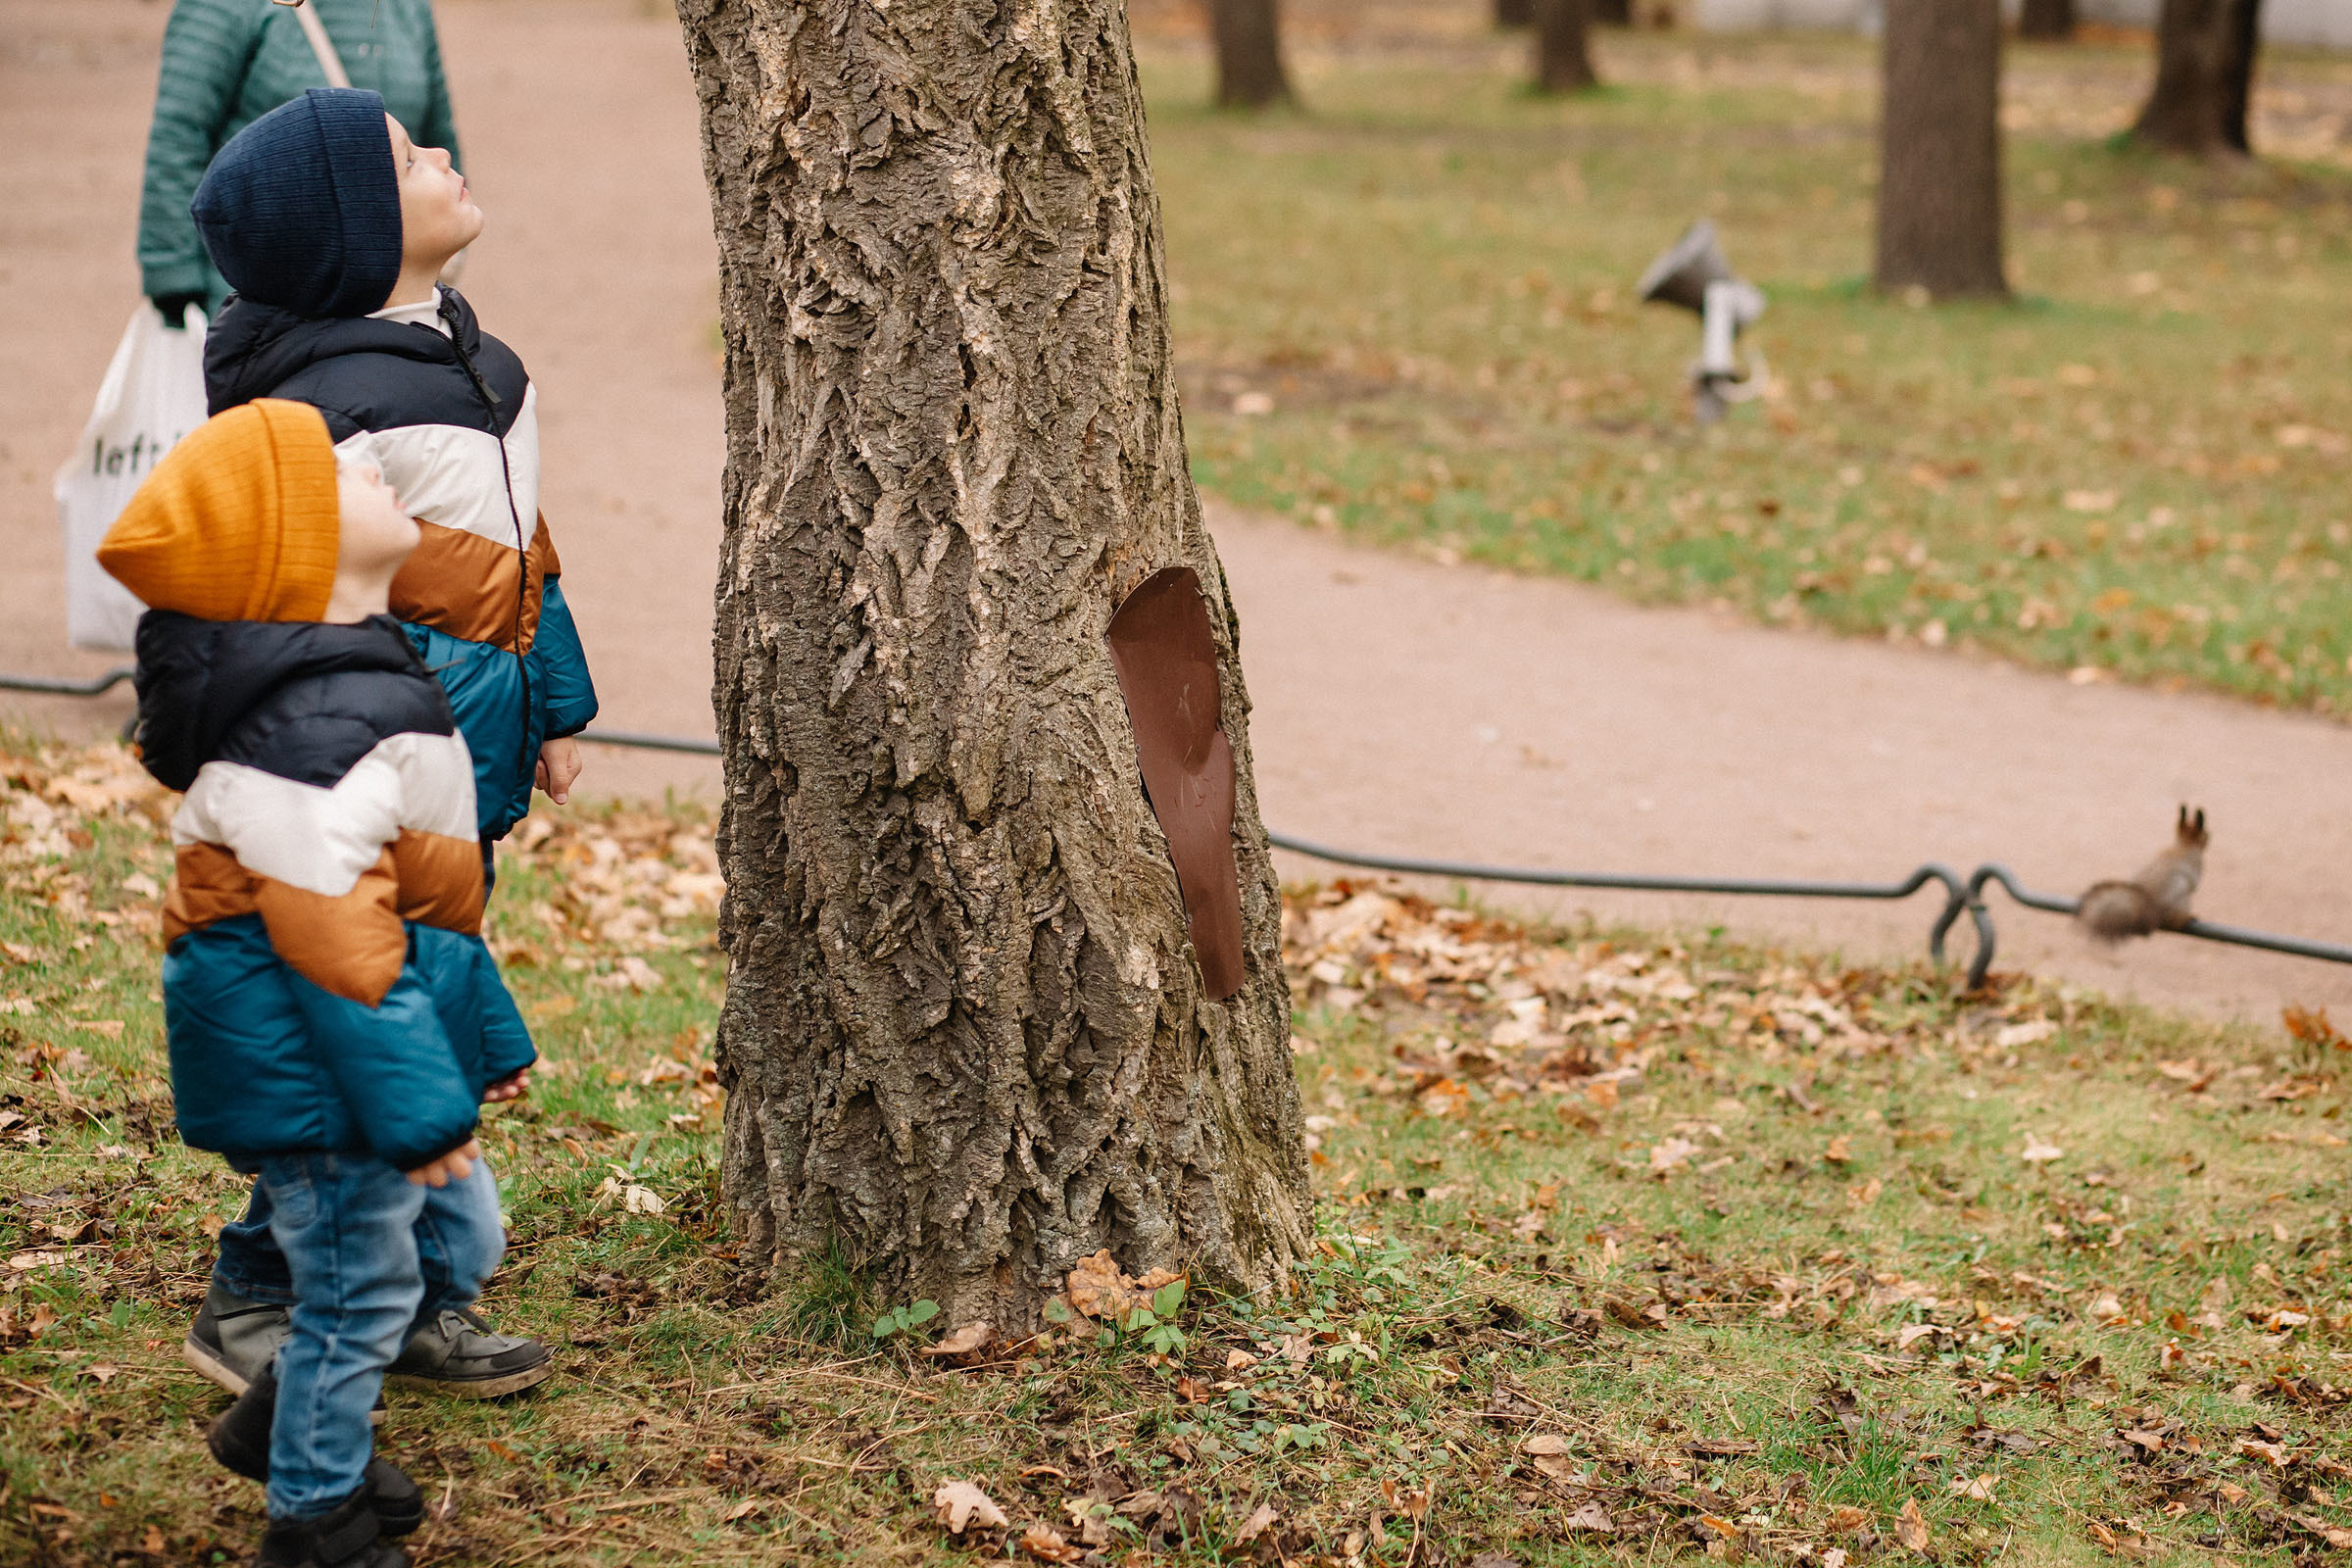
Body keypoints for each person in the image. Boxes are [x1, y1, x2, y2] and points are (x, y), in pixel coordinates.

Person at [175, 85, 596, 1404]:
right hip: (373, 779)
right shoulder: (321, 409)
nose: (448, 157)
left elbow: (523, 554)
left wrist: (557, 708)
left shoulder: (480, 361)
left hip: (469, 763)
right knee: (376, 1032)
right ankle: (261, 1288)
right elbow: (279, 603)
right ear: (355, 236)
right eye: (413, 162)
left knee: (427, 1019)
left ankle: (398, 1290)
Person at [98, 398, 537, 1568]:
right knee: (358, 1281)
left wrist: (479, 1035)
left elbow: (423, 904)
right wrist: (415, 1103)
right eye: (346, 473)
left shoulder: (360, 671)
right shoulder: (308, 722)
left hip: (375, 1053)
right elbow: (331, 938)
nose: (376, 469)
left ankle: (280, 1413)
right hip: (322, 1070)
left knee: (462, 1242)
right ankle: (315, 1515)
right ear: (298, 543)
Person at [138, 0, 461, 326]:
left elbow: (438, 134)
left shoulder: (407, 7)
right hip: (265, 297)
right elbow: (179, 136)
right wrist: (175, 279)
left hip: (394, 290)